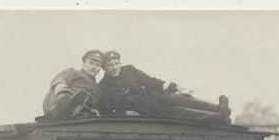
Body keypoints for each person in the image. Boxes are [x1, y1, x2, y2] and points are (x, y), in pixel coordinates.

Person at [98, 50, 231, 125]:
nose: (115, 67)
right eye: (110, 65)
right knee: (182, 112)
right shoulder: (103, 87)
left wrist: (175, 86)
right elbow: (105, 111)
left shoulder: (130, 69)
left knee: (182, 99)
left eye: (117, 63)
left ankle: (219, 108)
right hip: (148, 114)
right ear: (104, 68)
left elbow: (150, 81)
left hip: (156, 98)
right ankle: (219, 118)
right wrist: (124, 113)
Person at [42, 50, 104, 120]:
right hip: (60, 100)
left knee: (88, 106)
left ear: (99, 69)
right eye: (91, 63)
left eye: (97, 65)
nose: (94, 67)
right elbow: (61, 78)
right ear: (83, 64)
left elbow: (95, 106)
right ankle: (60, 109)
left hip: (81, 113)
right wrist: (61, 88)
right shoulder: (74, 72)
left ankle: (66, 112)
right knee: (62, 93)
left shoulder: (97, 89)